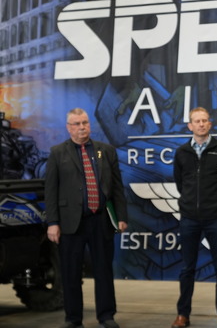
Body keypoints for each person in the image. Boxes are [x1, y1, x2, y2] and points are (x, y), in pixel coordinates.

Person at [45, 108, 128, 328]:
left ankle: (106, 316)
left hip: (100, 220)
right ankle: (73, 319)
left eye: (85, 122)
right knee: (71, 273)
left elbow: (117, 188)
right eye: (77, 124)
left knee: (103, 271)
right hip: (71, 222)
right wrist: (52, 223)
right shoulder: (57, 153)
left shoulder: (106, 151)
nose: (82, 127)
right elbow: (50, 191)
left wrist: (121, 216)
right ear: (68, 127)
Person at [171, 107, 217, 328]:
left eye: (204, 120)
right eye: (196, 121)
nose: (200, 124)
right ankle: (182, 315)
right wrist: (190, 204)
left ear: (210, 124)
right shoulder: (181, 152)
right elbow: (180, 183)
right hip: (189, 218)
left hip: (214, 218)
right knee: (187, 269)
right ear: (190, 125)